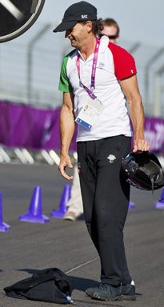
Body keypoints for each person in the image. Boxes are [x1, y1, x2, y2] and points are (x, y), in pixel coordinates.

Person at [54, 1, 149, 301]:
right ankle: (124, 281)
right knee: (93, 218)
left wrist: (139, 137)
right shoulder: (68, 63)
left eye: (71, 27)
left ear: (88, 26)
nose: (67, 33)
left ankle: (111, 281)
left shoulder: (116, 55)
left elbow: (134, 99)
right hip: (86, 143)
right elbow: (68, 108)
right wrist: (64, 151)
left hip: (115, 139)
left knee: (108, 213)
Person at [62, 17, 122, 221]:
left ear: (117, 37)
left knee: (110, 174)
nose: (108, 39)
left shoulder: (116, 59)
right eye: (104, 35)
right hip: (87, 128)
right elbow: (69, 103)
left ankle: (106, 208)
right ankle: (75, 206)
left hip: (112, 130)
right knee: (83, 172)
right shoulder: (78, 61)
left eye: (112, 36)